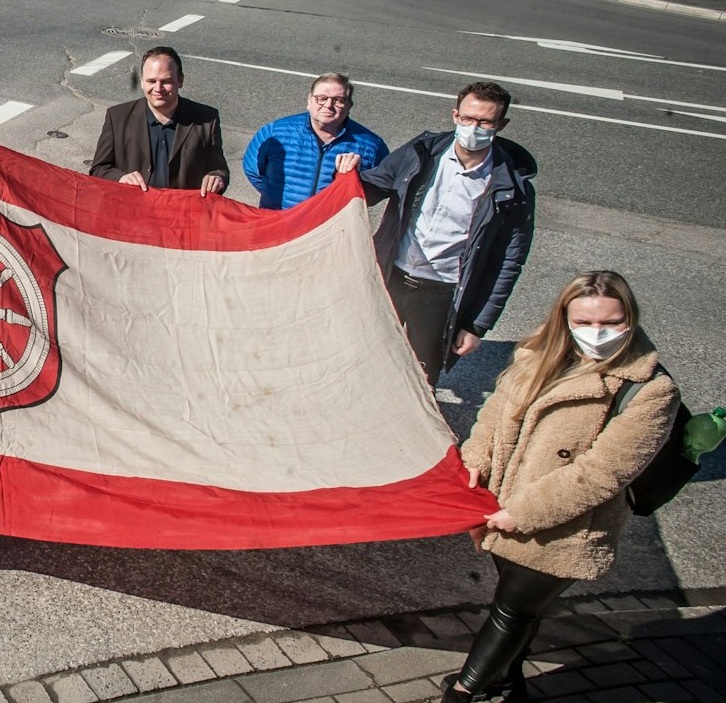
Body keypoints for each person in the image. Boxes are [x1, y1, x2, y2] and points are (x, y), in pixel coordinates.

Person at [442, 271, 679, 702]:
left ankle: (464, 692)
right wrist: (476, 460)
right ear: (564, 319)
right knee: (520, 609)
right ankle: (507, 681)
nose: (597, 333)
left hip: (563, 522)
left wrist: (523, 513)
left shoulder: (651, 390)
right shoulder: (538, 355)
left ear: (631, 318)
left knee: (510, 612)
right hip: (504, 506)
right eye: (584, 323)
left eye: (611, 322)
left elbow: (603, 472)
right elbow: (497, 413)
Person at [341, 81, 536, 385]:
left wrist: (476, 326)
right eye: (468, 118)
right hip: (390, 276)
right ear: (455, 115)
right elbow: (372, 187)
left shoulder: (512, 188)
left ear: (502, 124)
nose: (474, 127)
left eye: (485, 122)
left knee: (421, 375)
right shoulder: (422, 153)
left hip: (441, 293)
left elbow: (509, 262)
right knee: (363, 357)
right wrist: (346, 175)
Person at [88, 45, 229, 195]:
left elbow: (219, 169)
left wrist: (217, 178)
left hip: (182, 213)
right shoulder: (117, 117)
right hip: (133, 210)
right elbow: (98, 168)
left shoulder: (206, 119)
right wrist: (121, 178)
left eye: (166, 81)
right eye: (151, 81)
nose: (158, 88)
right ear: (142, 81)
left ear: (180, 80)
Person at [243, 72, 389, 209]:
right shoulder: (275, 132)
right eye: (322, 98)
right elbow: (252, 170)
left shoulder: (371, 145)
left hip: (330, 229)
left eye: (338, 100)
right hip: (279, 222)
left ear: (349, 105)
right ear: (309, 100)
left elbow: (381, 187)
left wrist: (356, 180)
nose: (328, 105)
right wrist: (273, 198)